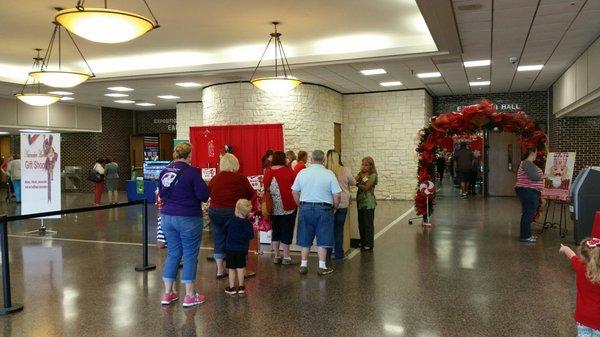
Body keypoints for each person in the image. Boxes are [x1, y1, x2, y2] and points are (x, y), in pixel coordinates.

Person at [158, 142, 209, 307]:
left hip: (167, 217)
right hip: (188, 217)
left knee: (173, 253)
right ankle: (189, 295)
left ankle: (168, 294)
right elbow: (203, 196)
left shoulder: (165, 171)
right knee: (189, 255)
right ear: (189, 156)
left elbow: (162, 193)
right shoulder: (192, 172)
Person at [292, 150, 341, 275]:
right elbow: (337, 194)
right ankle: (322, 266)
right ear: (323, 160)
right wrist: (335, 206)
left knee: (305, 237)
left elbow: (294, 192)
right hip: (324, 209)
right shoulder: (329, 174)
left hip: (305, 208)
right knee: (323, 237)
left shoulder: (302, 173)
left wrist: (300, 204)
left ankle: (303, 265)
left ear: (311, 159)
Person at [208, 153, 256, 278]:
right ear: (235, 164)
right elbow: (251, 194)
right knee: (237, 240)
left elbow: (208, 193)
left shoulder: (215, 178)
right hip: (233, 212)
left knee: (219, 239)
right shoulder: (240, 178)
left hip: (215, 211)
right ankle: (240, 270)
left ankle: (220, 270)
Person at [559, 239, 600, 336]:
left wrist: (564, 248)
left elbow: (571, 255)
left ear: (584, 257)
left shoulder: (581, 267)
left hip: (582, 316)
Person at [263, 151, 297, 265]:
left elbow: (265, 186)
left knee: (276, 231)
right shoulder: (289, 172)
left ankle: (277, 255)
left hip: (272, 206)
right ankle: (286, 256)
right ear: (283, 159)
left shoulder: (267, 171)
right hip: (288, 206)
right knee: (287, 231)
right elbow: (295, 187)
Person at [325, 150, 355, 261]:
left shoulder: (325, 171)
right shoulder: (345, 170)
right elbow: (353, 182)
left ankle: (326, 255)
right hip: (342, 203)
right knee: (339, 230)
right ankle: (339, 255)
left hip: (328, 203)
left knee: (328, 230)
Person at [224, 199, 254, 295]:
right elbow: (251, 236)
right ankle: (241, 287)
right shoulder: (248, 223)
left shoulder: (231, 221)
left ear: (237, 210)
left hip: (230, 249)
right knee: (241, 268)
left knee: (231, 269)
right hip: (242, 250)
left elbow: (224, 230)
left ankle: (232, 288)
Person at [514, 148, 544, 243]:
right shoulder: (527, 163)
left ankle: (527, 234)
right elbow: (534, 177)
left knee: (528, 212)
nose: (536, 155)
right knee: (528, 213)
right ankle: (525, 236)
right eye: (536, 153)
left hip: (528, 191)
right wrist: (546, 175)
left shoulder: (527, 163)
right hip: (528, 190)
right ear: (532, 153)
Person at [356, 156, 378, 251]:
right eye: (362, 164)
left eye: (366, 165)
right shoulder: (361, 174)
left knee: (368, 224)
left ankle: (369, 244)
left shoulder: (373, 175)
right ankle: (363, 241)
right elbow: (354, 179)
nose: (363, 167)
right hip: (360, 203)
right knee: (361, 224)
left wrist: (357, 183)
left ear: (371, 166)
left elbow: (366, 187)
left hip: (368, 203)